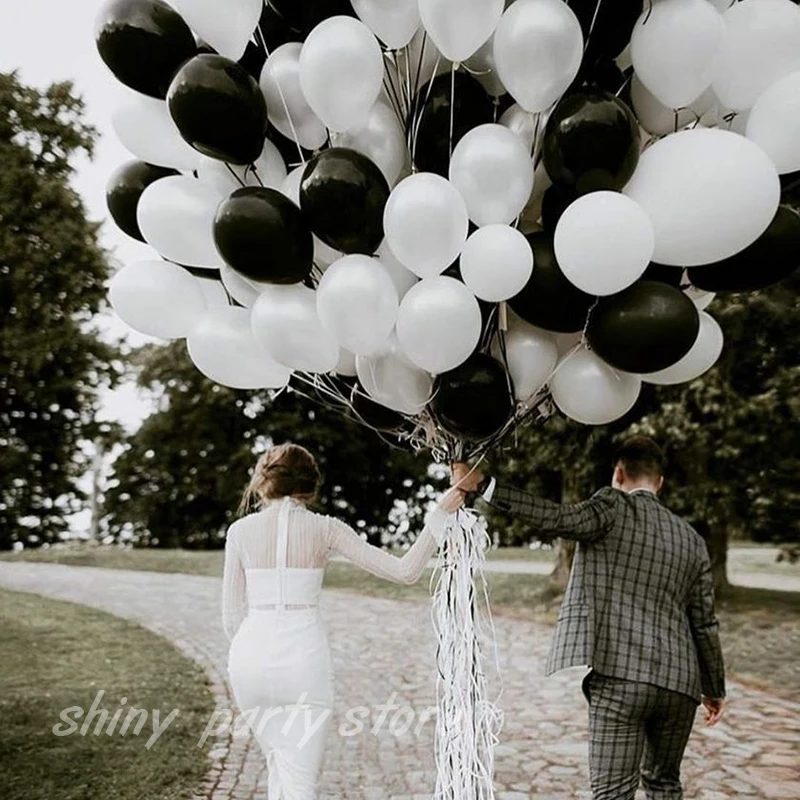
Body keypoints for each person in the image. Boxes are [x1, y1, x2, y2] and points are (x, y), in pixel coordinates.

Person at [453, 435, 726, 800]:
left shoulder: (612, 507)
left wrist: (484, 484)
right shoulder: (692, 540)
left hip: (621, 678)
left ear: (618, 474)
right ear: (659, 483)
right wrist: (714, 688)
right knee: (664, 785)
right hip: (680, 685)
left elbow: (557, 517)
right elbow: (704, 623)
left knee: (612, 793)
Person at [222, 443, 463, 800]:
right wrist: (439, 516)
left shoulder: (240, 532)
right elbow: (405, 571)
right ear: (309, 485)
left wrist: (253, 651)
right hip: (303, 665)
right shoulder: (325, 529)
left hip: (248, 665)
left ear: (264, 480)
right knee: (299, 784)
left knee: (279, 765)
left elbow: (231, 617)